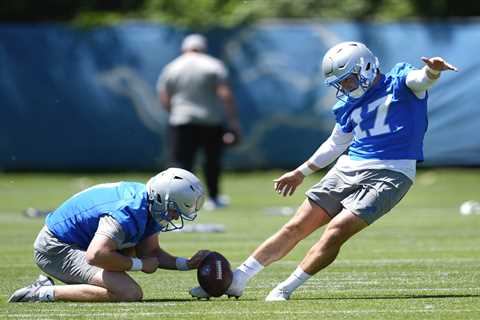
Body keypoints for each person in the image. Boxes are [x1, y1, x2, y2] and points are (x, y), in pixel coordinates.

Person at [190, 41, 458, 301]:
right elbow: (335, 144)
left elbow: (420, 80)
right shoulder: (347, 104)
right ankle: (238, 280)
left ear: (366, 67)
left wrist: (432, 70)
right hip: (349, 167)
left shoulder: (400, 81)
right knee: (296, 226)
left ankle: (286, 288)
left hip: (392, 172)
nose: (344, 87)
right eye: (340, 82)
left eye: (348, 80)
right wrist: (300, 172)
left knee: (337, 229)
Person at [8, 168, 209, 303]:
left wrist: (186, 264)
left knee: (129, 252)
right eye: (174, 210)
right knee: (129, 293)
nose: (174, 217)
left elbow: (151, 252)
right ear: (160, 198)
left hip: (81, 243)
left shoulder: (148, 202)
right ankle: (41, 292)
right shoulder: (127, 211)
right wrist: (139, 265)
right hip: (56, 247)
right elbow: (96, 255)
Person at [157, 34, 242, 210]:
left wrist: (174, 112)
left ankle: (175, 200)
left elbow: (164, 96)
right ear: (203, 48)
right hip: (210, 120)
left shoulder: (173, 66)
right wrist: (233, 122)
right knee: (212, 162)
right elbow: (225, 94)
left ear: (184, 48)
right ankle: (214, 198)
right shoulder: (213, 65)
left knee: (180, 164)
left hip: (181, 120)